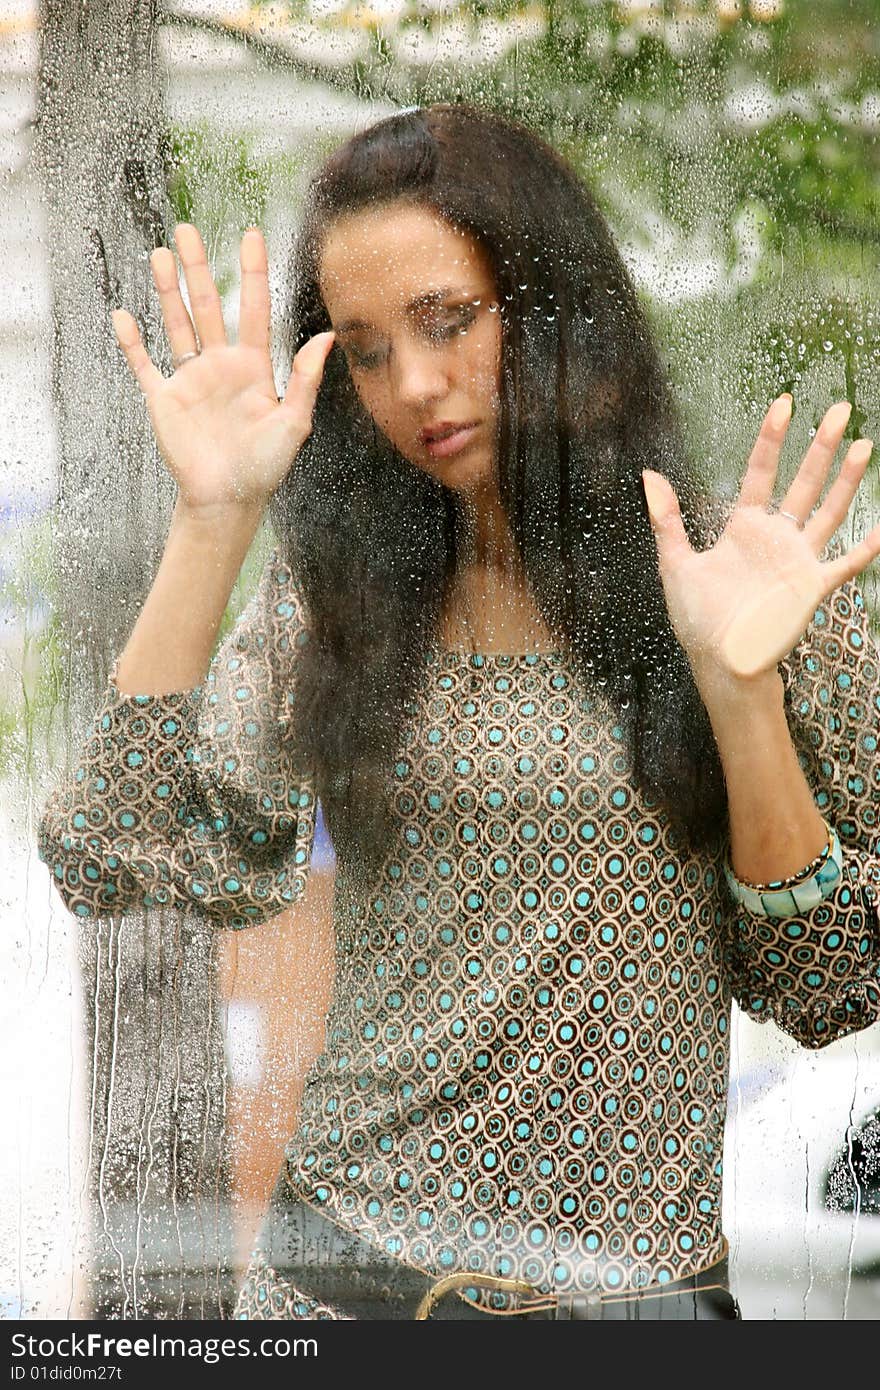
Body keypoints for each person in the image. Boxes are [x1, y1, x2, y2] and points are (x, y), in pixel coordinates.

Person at [37, 104, 880, 1321]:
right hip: (340, 1284)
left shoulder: (747, 568)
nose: (413, 384)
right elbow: (109, 844)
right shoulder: (341, 600)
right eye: (366, 350)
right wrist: (213, 521)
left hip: (636, 1304)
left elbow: (832, 985)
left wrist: (740, 693)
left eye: (447, 322)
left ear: (549, 308)